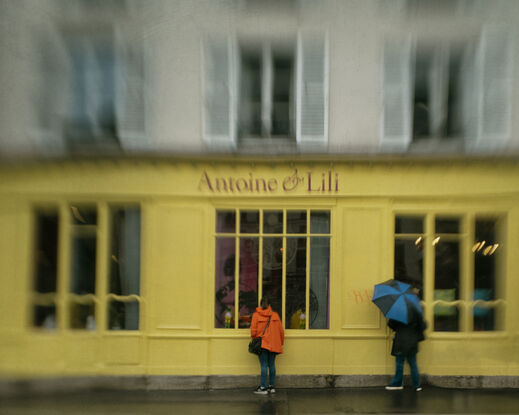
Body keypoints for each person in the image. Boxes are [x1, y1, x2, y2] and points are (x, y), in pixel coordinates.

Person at [385, 309, 427, 392]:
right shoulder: (416, 310)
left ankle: (397, 383)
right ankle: (416, 385)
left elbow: (390, 324)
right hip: (412, 340)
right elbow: (423, 325)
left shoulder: (398, 310)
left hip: (401, 339)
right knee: (413, 363)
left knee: (399, 363)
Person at [250, 297, 284, 395]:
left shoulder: (256, 315)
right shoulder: (275, 315)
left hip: (263, 344)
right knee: (272, 365)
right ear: (270, 305)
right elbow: (281, 331)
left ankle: (262, 388)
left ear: (261, 305)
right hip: (274, 344)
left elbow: (253, 332)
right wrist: (280, 343)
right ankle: (271, 387)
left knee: (264, 365)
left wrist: (256, 338)